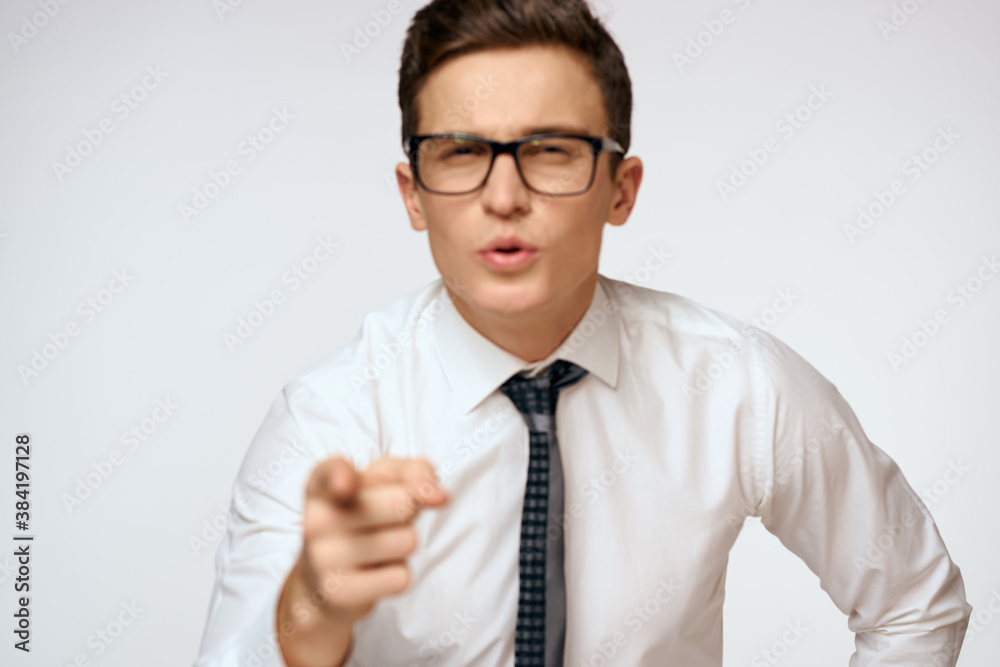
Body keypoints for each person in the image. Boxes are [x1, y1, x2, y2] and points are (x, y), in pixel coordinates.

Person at [194, 1, 972, 665]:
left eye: (551, 151)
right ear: (413, 194)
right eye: (461, 153)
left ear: (620, 189)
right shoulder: (327, 420)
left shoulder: (736, 384)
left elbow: (913, 601)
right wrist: (307, 616)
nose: (504, 195)